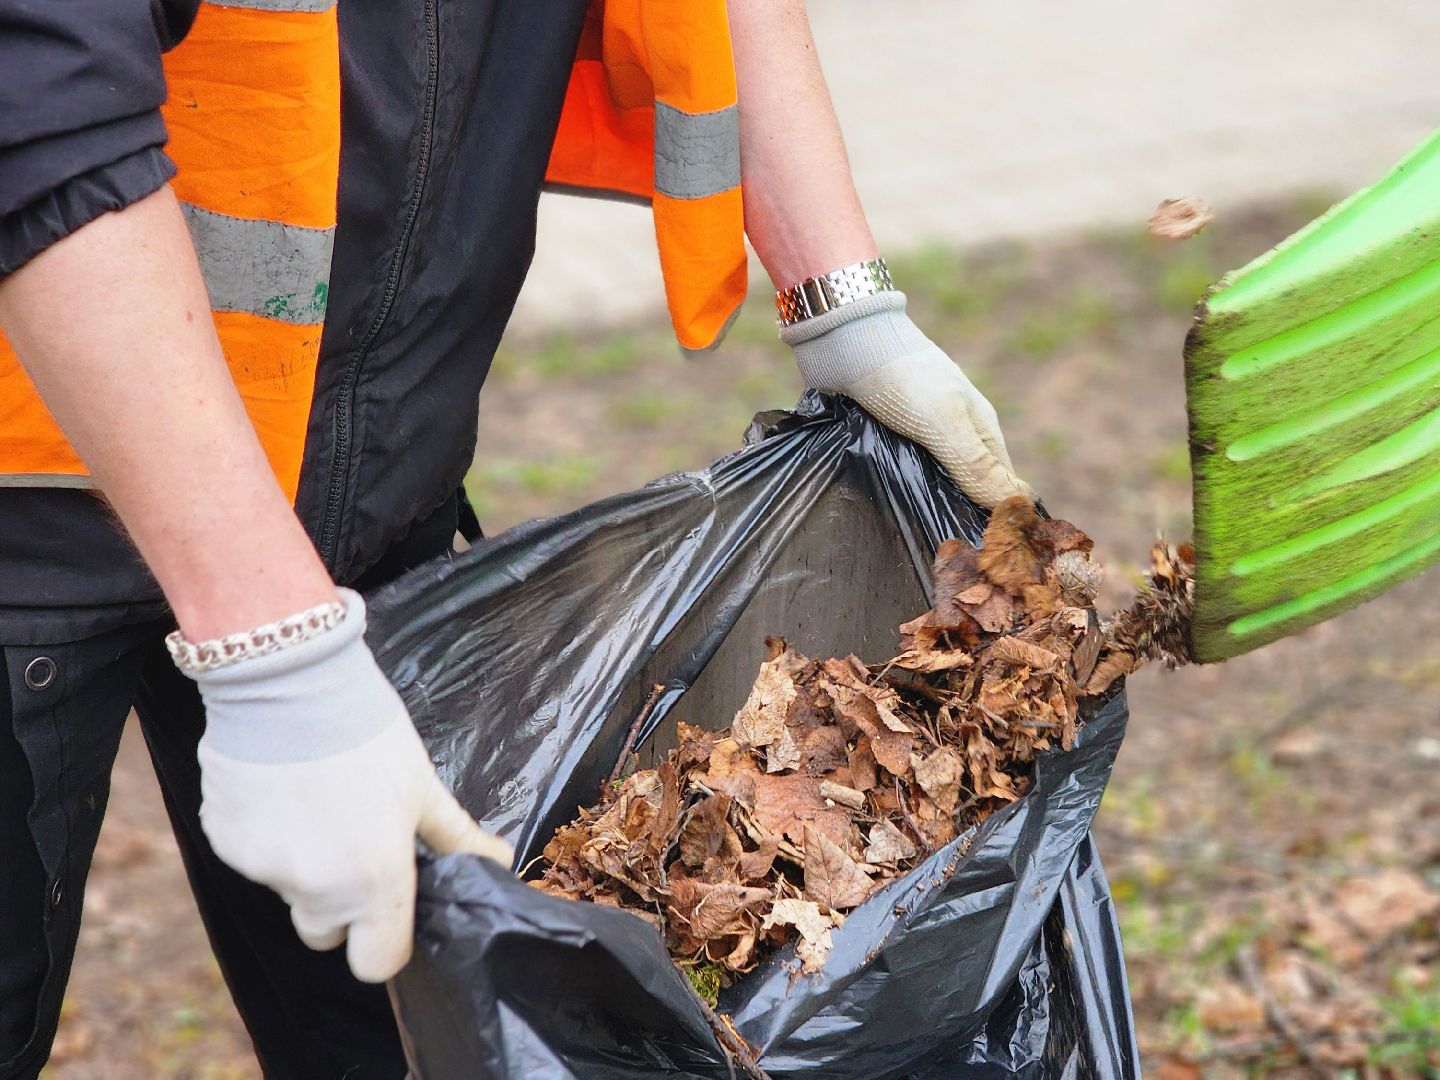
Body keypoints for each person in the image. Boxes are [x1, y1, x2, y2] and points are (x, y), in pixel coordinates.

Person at [0, 1, 1028, 1076]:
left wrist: (842, 303)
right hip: (31, 497)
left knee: (411, 1040)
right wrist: (274, 650)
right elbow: (34, 85)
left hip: (373, 474)